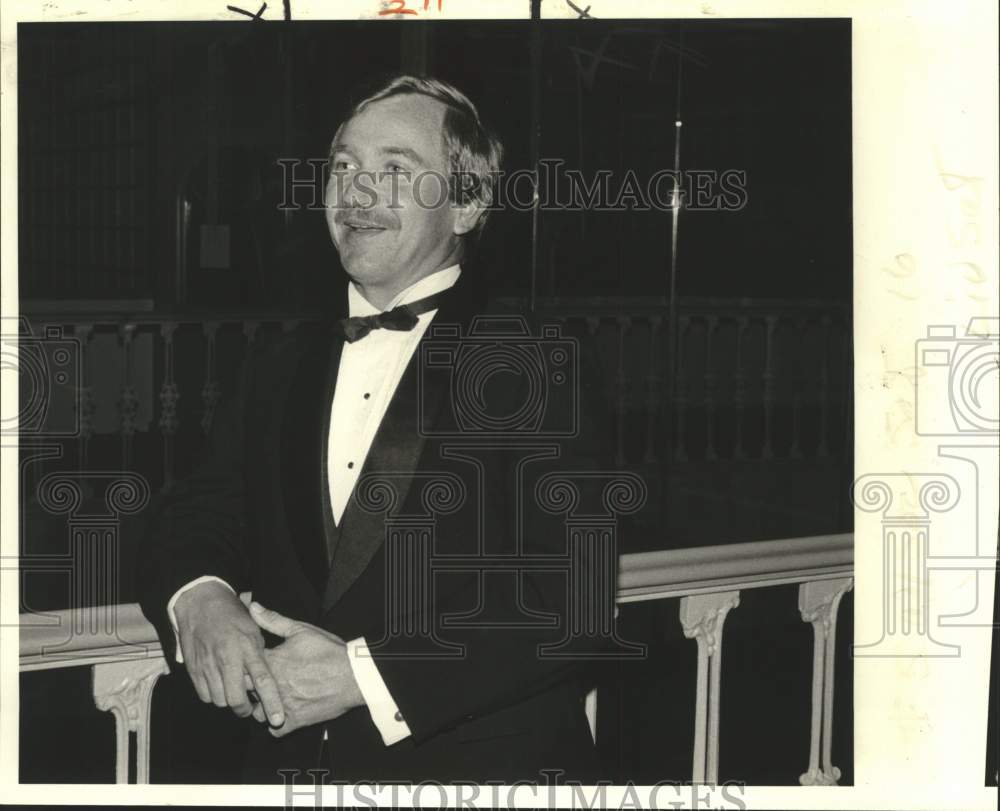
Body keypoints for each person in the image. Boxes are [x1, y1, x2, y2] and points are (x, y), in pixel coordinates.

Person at [138, 75, 616, 785]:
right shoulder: (278, 363)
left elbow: (567, 600)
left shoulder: (540, 362)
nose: (355, 195)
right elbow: (200, 508)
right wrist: (198, 594)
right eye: (343, 167)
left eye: (394, 169)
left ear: (467, 203)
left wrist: (366, 674)